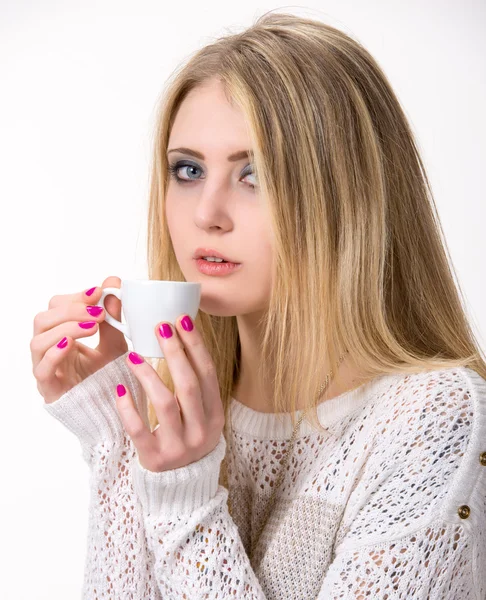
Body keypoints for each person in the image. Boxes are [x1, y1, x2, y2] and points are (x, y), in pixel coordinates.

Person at [32, 11, 486, 599]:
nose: (206, 213)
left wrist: (183, 494)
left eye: (257, 175)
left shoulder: (434, 416)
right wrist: (121, 435)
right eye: (188, 170)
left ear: (348, 199)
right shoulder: (187, 410)